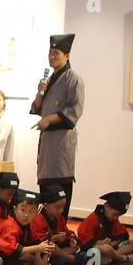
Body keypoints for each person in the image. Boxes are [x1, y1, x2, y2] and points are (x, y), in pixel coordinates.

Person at [30, 33, 84, 216]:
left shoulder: (73, 79)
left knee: (60, 184)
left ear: (67, 56)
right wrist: (39, 92)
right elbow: (38, 108)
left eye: (56, 53)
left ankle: (59, 228)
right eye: (50, 53)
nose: (52, 57)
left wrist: (49, 120)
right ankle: (44, 229)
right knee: (45, 184)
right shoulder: (50, 78)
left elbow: (74, 110)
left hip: (61, 140)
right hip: (47, 140)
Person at [0, 188, 57, 265]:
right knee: (28, 258)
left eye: (31, 211)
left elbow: (35, 244)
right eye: (23, 210)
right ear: (14, 209)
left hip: (17, 255)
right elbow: (13, 250)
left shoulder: (29, 226)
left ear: (36, 214)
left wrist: (43, 249)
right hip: (2, 257)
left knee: (40, 252)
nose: (26, 215)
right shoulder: (10, 225)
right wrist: (38, 248)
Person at [75, 191, 133, 265]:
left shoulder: (113, 218)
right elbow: (84, 240)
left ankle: (111, 257)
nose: (116, 217)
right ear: (106, 206)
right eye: (114, 214)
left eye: (118, 216)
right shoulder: (93, 218)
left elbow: (120, 234)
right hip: (95, 248)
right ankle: (122, 258)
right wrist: (100, 242)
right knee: (107, 248)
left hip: (111, 249)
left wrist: (115, 242)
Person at [31, 185, 80, 265]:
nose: (61, 211)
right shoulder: (38, 219)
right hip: (43, 249)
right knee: (52, 247)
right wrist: (53, 238)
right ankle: (70, 258)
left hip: (57, 250)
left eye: (63, 208)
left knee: (76, 245)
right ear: (46, 206)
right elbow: (38, 240)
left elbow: (68, 232)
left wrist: (71, 239)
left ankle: (63, 256)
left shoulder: (60, 218)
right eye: (58, 208)